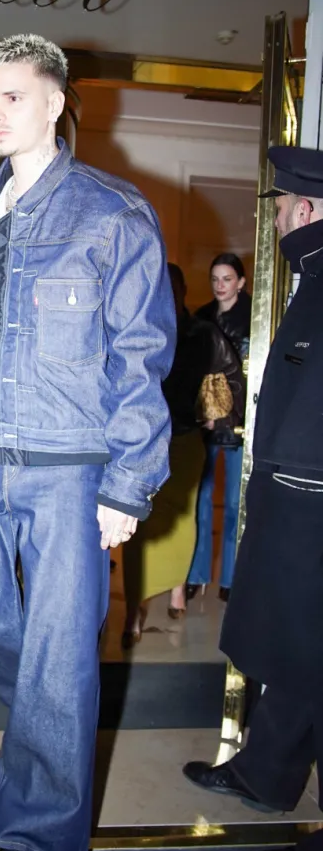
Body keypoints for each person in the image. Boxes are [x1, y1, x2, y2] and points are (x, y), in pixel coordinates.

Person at [0, 33, 175, 851]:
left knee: (63, 653)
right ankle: (40, 709)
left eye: (12, 98)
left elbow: (141, 356)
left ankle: (26, 839)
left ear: (56, 104)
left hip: (72, 467)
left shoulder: (111, 212)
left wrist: (127, 485)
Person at [183, 145, 323, 851]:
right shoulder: (312, 275)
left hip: (314, 506)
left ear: (305, 209)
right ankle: (266, 774)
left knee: (313, 654)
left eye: (278, 207)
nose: (272, 218)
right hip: (298, 500)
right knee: (304, 656)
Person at [122, 263, 245, 646]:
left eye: (174, 288)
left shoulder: (202, 333)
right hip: (145, 440)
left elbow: (232, 374)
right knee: (137, 526)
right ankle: (132, 609)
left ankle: (177, 589)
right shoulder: (140, 330)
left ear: (184, 291)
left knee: (183, 520)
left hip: (187, 438)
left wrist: (218, 416)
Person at [186, 253, 251, 603]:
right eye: (215, 279)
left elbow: (250, 378)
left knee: (234, 505)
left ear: (241, 282)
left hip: (238, 425)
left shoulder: (255, 319)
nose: (220, 285)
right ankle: (197, 574)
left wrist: (227, 416)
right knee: (202, 501)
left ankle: (229, 577)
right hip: (205, 425)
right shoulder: (202, 319)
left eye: (227, 279)